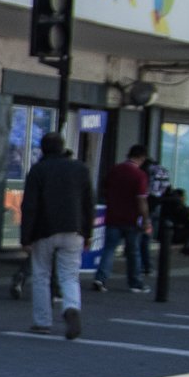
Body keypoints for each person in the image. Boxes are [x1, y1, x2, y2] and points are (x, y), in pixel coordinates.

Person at [21, 131, 93, 339]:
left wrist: (26, 237)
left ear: (42, 149)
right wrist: (87, 232)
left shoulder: (38, 170)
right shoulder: (80, 169)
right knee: (69, 275)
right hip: (74, 229)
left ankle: (42, 321)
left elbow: (30, 206)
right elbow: (88, 203)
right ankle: (71, 308)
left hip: (44, 230)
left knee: (41, 275)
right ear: (63, 147)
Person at [95, 144, 151, 293]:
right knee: (133, 252)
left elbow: (105, 190)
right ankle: (135, 283)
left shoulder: (115, 170)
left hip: (113, 216)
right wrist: (146, 219)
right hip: (132, 219)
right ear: (142, 158)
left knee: (109, 249)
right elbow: (141, 200)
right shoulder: (140, 175)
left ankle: (100, 278)